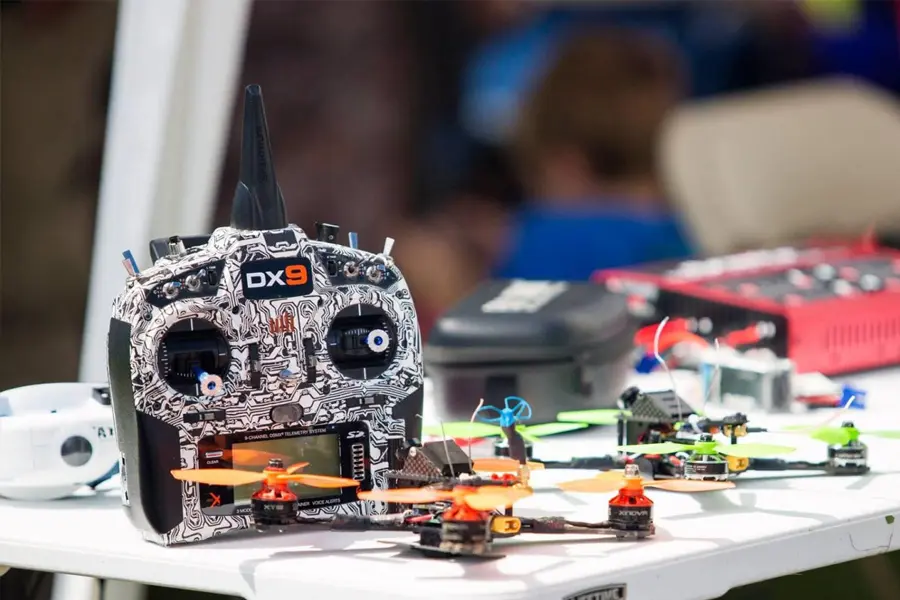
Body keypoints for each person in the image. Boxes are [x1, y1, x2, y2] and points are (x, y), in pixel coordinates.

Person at [492, 30, 694, 281]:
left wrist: (450, 288)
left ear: (566, 165)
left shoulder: (554, 241)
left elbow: (505, 317)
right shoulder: (705, 234)